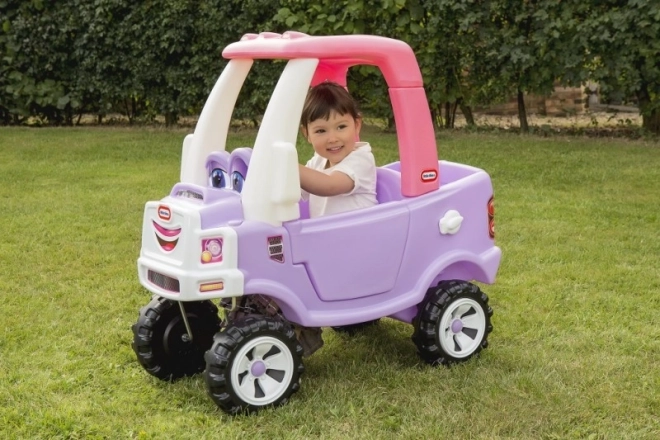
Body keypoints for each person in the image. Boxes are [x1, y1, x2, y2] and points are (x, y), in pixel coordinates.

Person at [298, 81, 377, 218]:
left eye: (341, 127)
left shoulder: (361, 159)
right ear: (307, 134)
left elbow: (330, 186)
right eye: (321, 131)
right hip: (326, 231)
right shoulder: (318, 161)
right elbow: (295, 190)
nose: (332, 139)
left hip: (361, 231)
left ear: (356, 125)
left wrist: (289, 166)